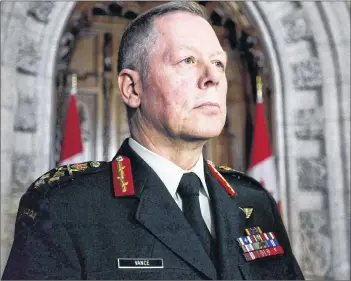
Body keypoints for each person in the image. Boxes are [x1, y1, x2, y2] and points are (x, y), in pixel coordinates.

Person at [2, 2, 304, 280]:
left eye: (219, 63)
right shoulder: (64, 208)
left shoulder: (255, 202)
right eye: (188, 60)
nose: (212, 78)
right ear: (132, 88)